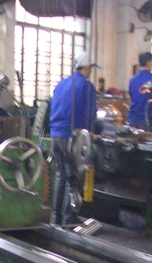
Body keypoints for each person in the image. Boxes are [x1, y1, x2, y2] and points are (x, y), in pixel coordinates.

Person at [49, 51, 99, 226]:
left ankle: (56, 216)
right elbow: (90, 115)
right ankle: (69, 217)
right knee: (74, 177)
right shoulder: (86, 86)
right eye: (91, 68)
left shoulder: (62, 84)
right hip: (72, 137)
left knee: (61, 174)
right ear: (87, 67)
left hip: (55, 134)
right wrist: (92, 133)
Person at [127, 52, 152, 130]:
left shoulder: (132, 80)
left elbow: (131, 97)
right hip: (149, 120)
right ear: (148, 62)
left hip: (133, 120)